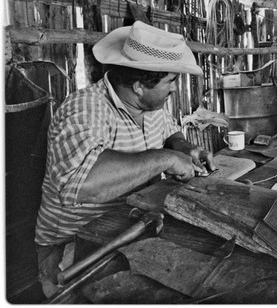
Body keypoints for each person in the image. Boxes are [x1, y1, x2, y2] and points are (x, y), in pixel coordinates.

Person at [35, 21, 215, 297]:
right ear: (139, 85)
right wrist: (165, 159)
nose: (175, 90)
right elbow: (81, 185)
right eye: (171, 81)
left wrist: (184, 147)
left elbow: (170, 133)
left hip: (130, 232)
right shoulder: (84, 110)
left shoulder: (150, 105)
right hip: (75, 250)